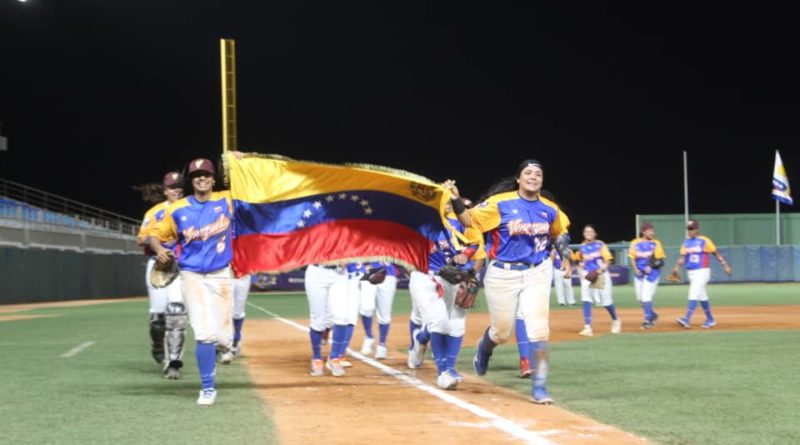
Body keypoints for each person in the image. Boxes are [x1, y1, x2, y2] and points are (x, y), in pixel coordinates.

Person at [444, 159, 571, 404]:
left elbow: (560, 233)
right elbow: (469, 221)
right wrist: (456, 200)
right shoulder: (500, 203)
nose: (533, 177)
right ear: (518, 178)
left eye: (538, 174)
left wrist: (566, 257)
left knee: (539, 329)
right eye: (528, 173)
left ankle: (540, 387)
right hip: (503, 274)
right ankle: (485, 347)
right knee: (502, 332)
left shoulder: (550, 208)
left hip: (537, 271)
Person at [149, 158, 235, 406]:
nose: (202, 178)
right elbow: (156, 235)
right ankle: (208, 387)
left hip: (220, 274)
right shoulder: (178, 208)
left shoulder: (227, 200)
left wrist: (237, 164)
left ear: (213, 178)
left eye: (206, 174)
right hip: (192, 275)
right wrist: (159, 250)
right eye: (197, 175)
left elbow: (254, 190)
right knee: (204, 333)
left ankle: (221, 348)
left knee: (223, 339)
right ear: (192, 180)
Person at [407, 199, 483, 389]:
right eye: (442, 201)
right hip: (425, 277)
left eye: (449, 202)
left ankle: (424, 340)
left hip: (453, 279)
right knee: (440, 322)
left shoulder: (459, 224)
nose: (446, 205)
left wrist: (466, 255)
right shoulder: (421, 224)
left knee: (456, 324)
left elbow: (474, 243)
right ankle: (443, 373)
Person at [136, 171, 186, 379]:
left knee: (176, 310)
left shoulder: (190, 208)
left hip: (183, 265)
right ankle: (158, 345)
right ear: (165, 191)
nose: (177, 190)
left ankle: (173, 362)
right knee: (158, 319)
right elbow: (141, 239)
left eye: (180, 187)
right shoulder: (155, 212)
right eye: (173, 187)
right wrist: (159, 239)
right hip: (158, 265)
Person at [671, 220, 732, 328]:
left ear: (697, 229)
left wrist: (725, 265)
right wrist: (676, 268)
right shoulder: (686, 242)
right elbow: (682, 257)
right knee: (702, 296)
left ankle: (686, 319)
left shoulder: (704, 241)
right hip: (691, 272)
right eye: (689, 229)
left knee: (693, 293)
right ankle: (710, 319)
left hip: (702, 271)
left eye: (692, 229)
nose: (690, 231)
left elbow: (715, 254)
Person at [576, 224, 621, 336]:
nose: (589, 233)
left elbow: (609, 260)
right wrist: (581, 272)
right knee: (586, 299)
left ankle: (616, 320)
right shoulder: (582, 247)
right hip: (588, 275)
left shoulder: (600, 244)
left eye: (591, 231)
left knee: (606, 302)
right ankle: (587, 327)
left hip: (601, 274)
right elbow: (580, 262)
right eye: (586, 231)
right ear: (583, 234)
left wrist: (600, 271)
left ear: (595, 234)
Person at [304, 263, 348, 376]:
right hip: (317, 272)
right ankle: (317, 359)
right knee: (318, 321)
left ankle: (334, 358)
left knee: (342, 317)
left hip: (340, 273)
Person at [628, 222, 666, 329]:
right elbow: (632, 257)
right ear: (643, 232)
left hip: (652, 274)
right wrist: (635, 269)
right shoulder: (635, 242)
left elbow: (661, 260)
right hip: (639, 273)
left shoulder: (656, 243)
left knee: (646, 296)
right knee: (640, 299)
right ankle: (653, 315)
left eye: (652, 230)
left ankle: (647, 320)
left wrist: (651, 266)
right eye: (649, 231)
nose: (651, 232)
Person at [359, 262, 399, 359]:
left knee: (384, 313)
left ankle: (382, 345)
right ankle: (369, 337)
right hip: (368, 271)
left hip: (389, 274)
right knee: (365, 308)